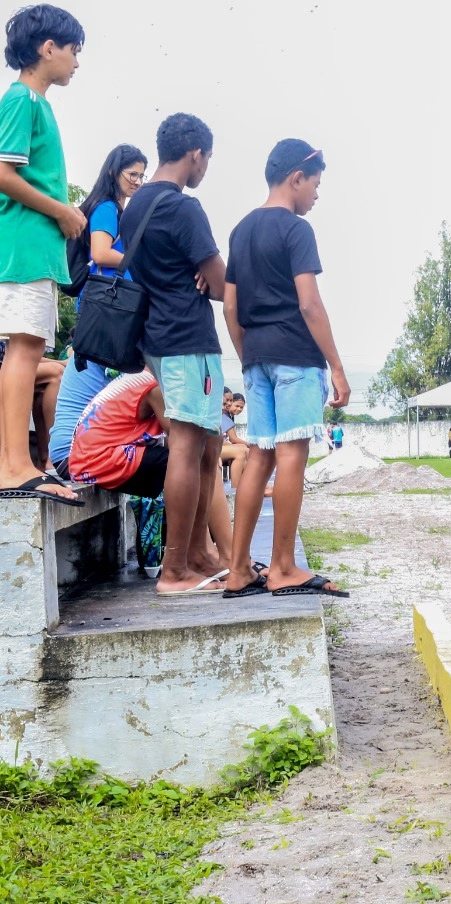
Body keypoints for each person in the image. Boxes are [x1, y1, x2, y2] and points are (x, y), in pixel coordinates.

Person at [221, 138, 351, 600]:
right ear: (297, 177)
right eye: (316, 184)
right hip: (296, 356)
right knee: (293, 455)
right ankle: (282, 567)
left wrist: (246, 353)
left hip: (255, 357)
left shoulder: (241, 231)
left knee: (260, 456)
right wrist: (336, 366)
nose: (316, 194)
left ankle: (238, 570)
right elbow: (310, 304)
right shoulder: (296, 230)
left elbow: (230, 306)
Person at [118, 113, 231, 594]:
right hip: (187, 337)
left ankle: (200, 555)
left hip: (157, 338)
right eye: (207, 160)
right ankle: (174, 569)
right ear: (196, 154)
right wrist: (211, 276)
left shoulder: (135, 206)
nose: (205, 169)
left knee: (207, 448)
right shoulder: (185, 209)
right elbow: (223, 285)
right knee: (187, 447)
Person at [0, 4, 84, 506]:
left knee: (29, 351)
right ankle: (15, 466)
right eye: (73, 50)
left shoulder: (37, 104)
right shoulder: (21, 100)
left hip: (37, 250)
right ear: (47, 48)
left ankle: (17, 463)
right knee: (24, 351)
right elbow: (3, 174)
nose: (76, 61)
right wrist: (64, 211)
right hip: (24, 247)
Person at [68, 370, 234, 576]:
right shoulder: (156, 384)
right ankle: (213, 554)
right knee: (199, 464)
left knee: (202, 459)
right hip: (100, 459)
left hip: (94, 458)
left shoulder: (147, 376)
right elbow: (182, 439)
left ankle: (219, 554)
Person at [77, 142, 145, 283]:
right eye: (133, 174)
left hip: (112, 297)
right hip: (106, 298)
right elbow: (101, 254)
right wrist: (141, 263)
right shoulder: (106, 208)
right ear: (113, 171)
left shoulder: (114, 209)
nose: (138, 182)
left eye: (141, 176)